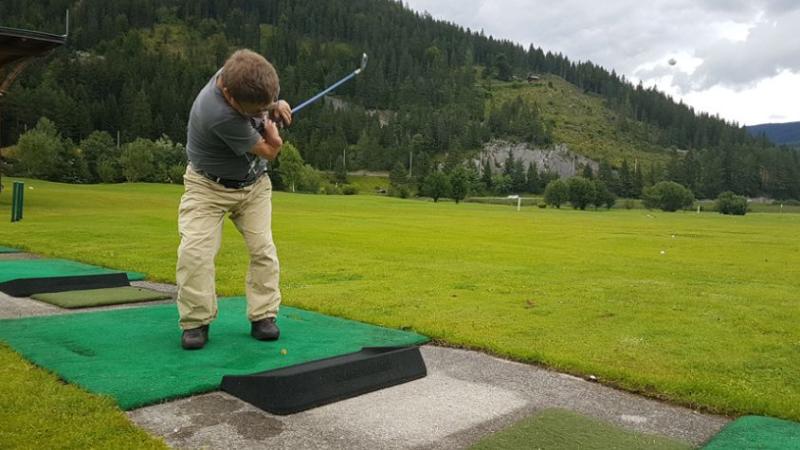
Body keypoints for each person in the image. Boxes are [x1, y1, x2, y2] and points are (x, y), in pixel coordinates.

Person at [176, 49, 292, 350]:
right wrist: (273, 138)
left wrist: (276, 104)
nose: (258, 115)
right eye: (252, 111)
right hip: (207, 188)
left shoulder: (242, 75)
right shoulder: (217, 113)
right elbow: (269, 150)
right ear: (227, 93)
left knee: (263, 249)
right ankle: (196, 321)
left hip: (253, 187)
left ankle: (263, 316)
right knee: (195, 253)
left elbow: (265, 103)